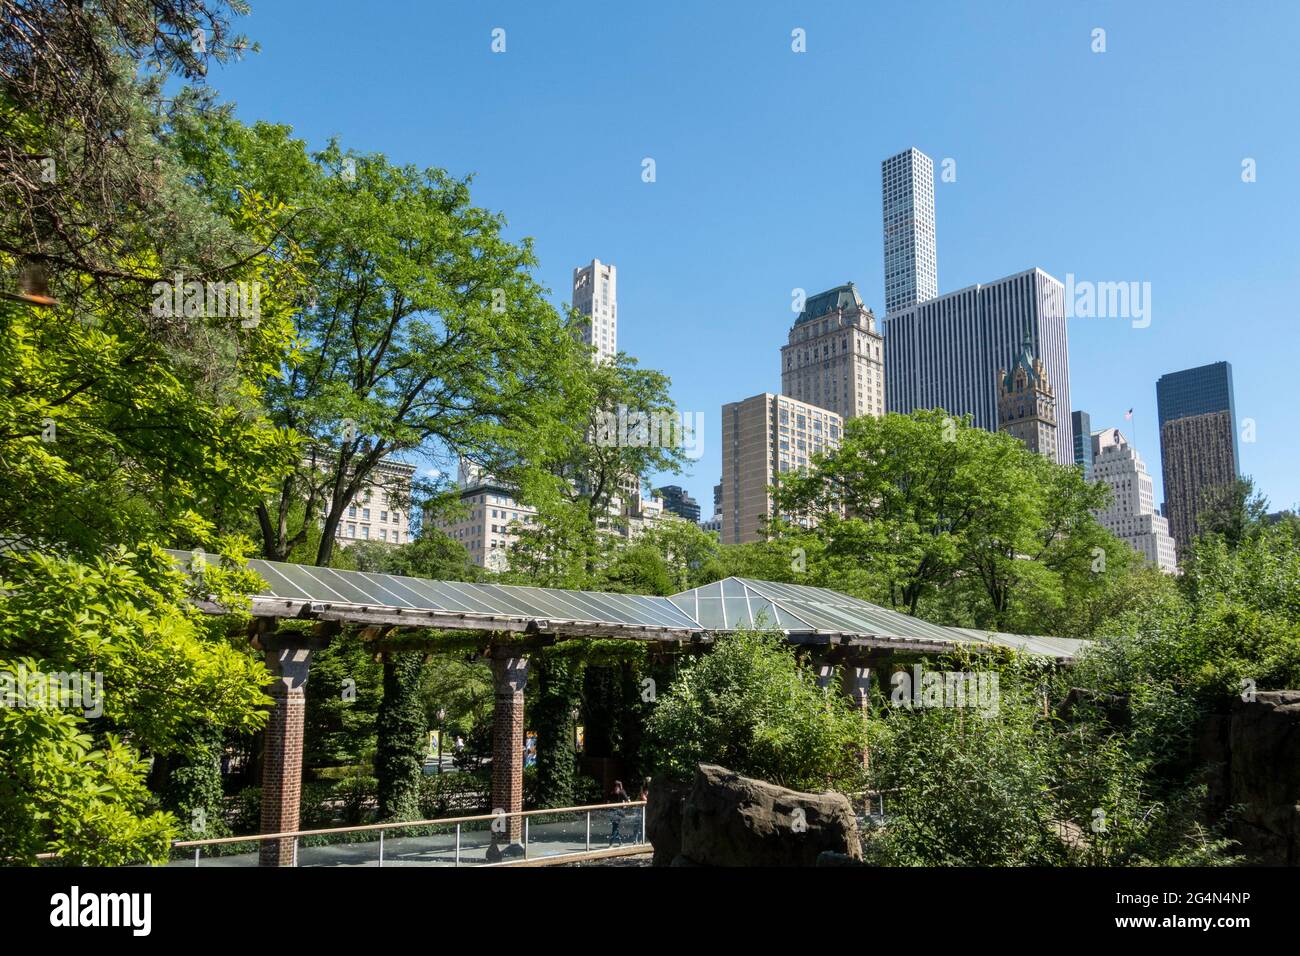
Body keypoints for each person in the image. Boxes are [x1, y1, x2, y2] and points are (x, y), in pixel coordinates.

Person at [609, 779, 630, 846]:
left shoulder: (612, 792)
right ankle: (611, 844)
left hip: (614, 812)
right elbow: (628, 800)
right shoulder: (621, 792)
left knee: (615, 827)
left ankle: (619, 843)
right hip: (616, 812)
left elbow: (608, 802)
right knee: (615, 828)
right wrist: (625, 804)